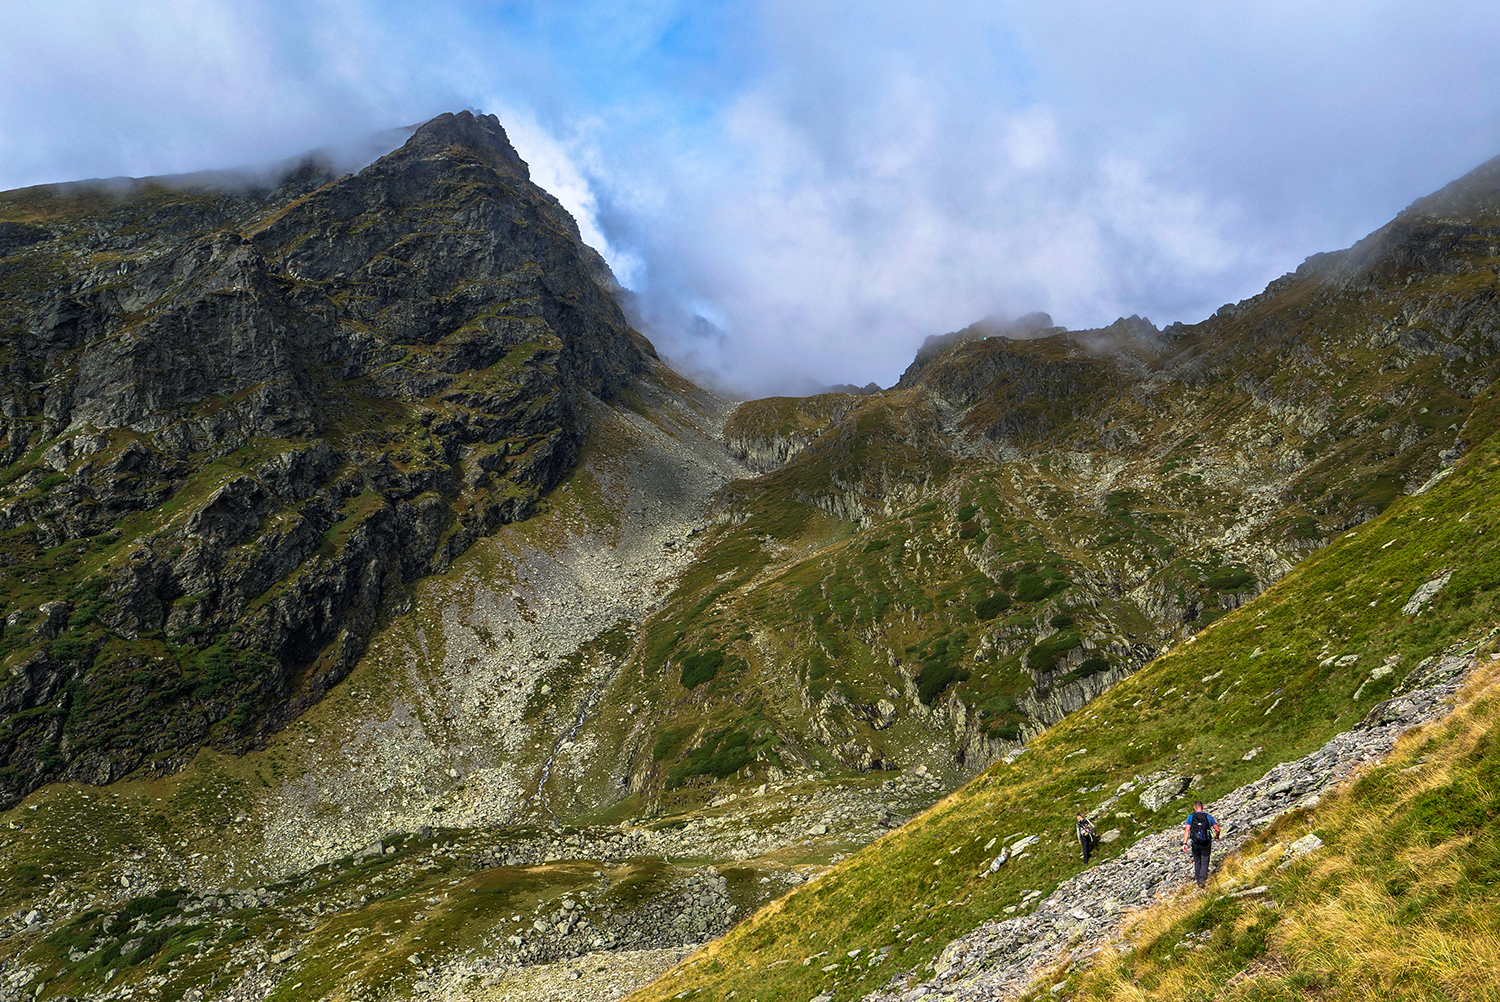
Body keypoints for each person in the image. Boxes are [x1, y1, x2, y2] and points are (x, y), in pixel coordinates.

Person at [1182, 800, 1221, 888]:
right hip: (1206, 841)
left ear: (1194, 808)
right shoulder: (1208, 817)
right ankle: (1202, 880)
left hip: (1195, 842)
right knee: (1205, 860)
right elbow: (1217, 829)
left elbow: (1187, 830)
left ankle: (1198, 879)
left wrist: (1185, 843)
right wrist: (1217, 836)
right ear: (1202, 807)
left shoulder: (1191, 817)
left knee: (1197, 860)